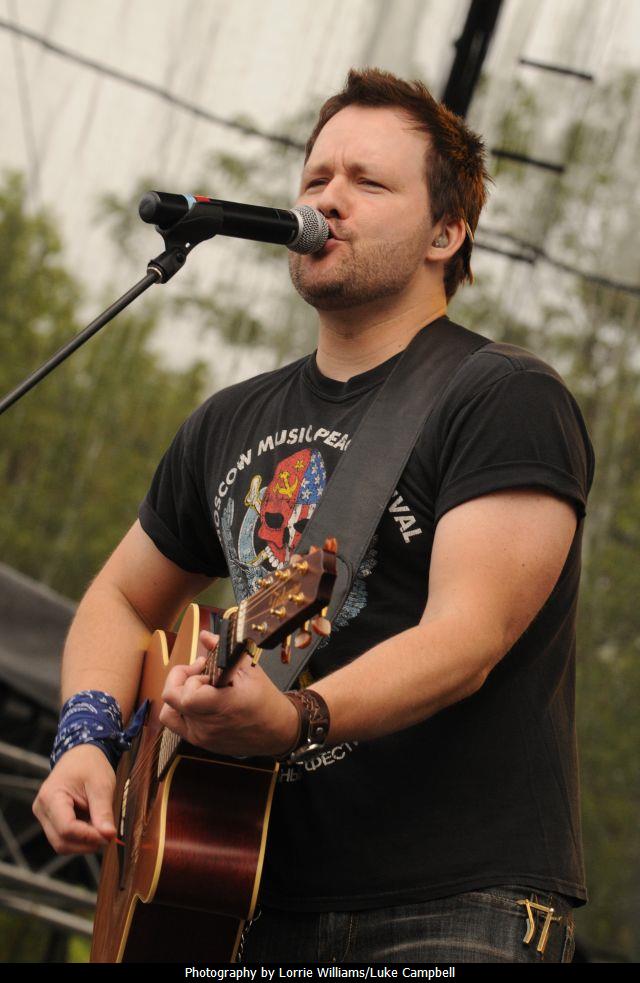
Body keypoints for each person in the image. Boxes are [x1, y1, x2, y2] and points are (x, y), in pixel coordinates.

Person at [33, 69, 594, 963]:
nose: (328, 198)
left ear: (446, 234)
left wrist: (298, 716)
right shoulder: (226, 419)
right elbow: (120, 600)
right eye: (317, 177)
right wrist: (86, 741)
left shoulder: (503, 396)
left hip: (451, 903)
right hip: (239, 894)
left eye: (368, 182)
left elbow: (467, 636)